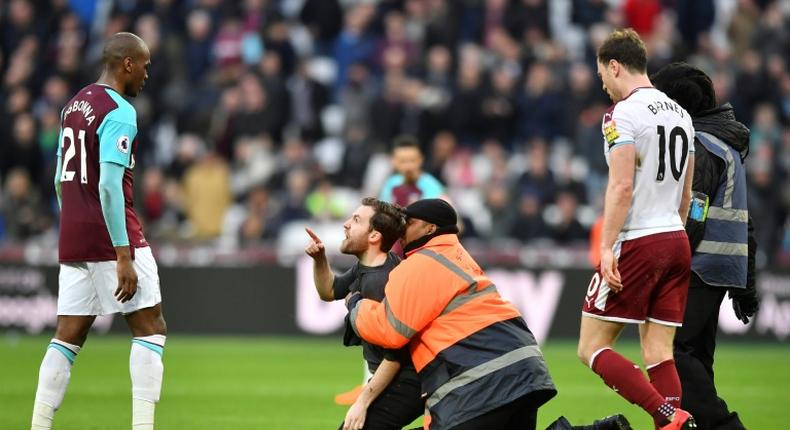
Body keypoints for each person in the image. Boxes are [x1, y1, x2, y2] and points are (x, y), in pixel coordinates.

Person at [31, 32, 166, 430]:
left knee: (67, 335)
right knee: (150, 327)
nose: (146, 74)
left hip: (73, 234)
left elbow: (60, 179)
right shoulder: (120, 111)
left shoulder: (74, 104)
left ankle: (38, 425)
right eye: (144, 65)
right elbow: (108, 185)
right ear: (127, 63)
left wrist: (74, 221)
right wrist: (122, 253)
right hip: (112, 236)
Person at [576, 29, 698, 430]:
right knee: (659, 352)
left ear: (615, 66)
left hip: (640, 239)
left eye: (603, 77)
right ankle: (670, 424)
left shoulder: (621, 115)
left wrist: (608, 246)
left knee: (591, 346)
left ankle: (668, 416)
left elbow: (622, 185)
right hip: (675, 238)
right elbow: (687, 192)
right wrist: (673, 235)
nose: (604, 86)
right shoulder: (681, 114)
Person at [348, 198, 557, 429]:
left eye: (408, 221)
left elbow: (390, 330)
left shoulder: (421, 264)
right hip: (525, 369)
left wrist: (356, 304)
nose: (401, 227)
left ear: (430, 228)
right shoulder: (459, 257)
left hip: (483, 380)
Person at [651, 62, 758, 430]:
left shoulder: (699, 145)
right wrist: (747, 283)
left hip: (698, 265)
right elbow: (748, 222)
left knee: (670, 350)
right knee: (696, 358)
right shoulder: (727, 143)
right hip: (721, 266)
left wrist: (668, 263)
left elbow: (693, 212)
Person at [305, 197, 424, 430]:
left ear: (374, 236)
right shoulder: (371, 265)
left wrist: (363, 400)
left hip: (408, 379)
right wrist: (320, 260)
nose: (346, 224)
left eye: (356, 220)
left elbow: (395, 355)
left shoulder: (380, 282)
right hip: (400, 377)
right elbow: (329, 291)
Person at [379, 135, 446, 207]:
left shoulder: (432, 186)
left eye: (412, 160)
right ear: (394, 161)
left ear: (421, 159)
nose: (408, 166)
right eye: (402, 161)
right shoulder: (391, 183)